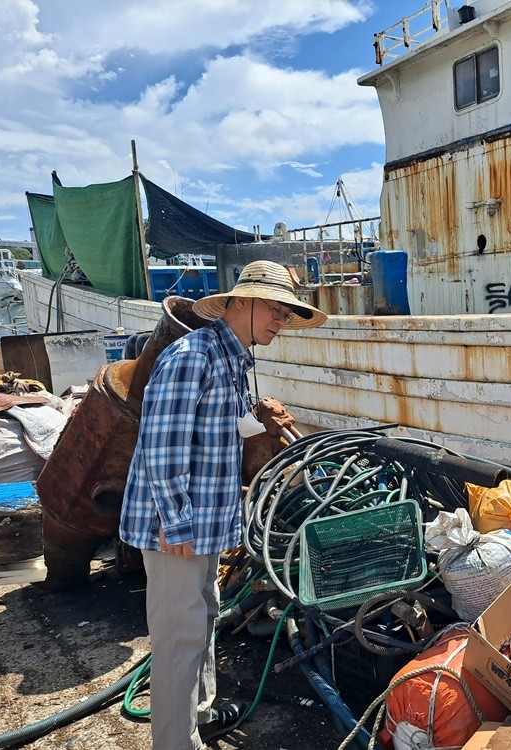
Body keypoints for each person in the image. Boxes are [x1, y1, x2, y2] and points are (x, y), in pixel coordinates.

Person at [119, 260, 327, 749]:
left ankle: (200, 714)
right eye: (275, 309)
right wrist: (175, 522)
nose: (281, 321)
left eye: (286, 313)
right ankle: (175, 741)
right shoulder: (193, 355)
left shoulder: (231, 357)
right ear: (240, 303)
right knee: (178, 638)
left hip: (205, 520)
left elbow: (215, 429)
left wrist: (259, 423)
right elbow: (160, 444)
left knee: (204, 617)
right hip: (178, 525)